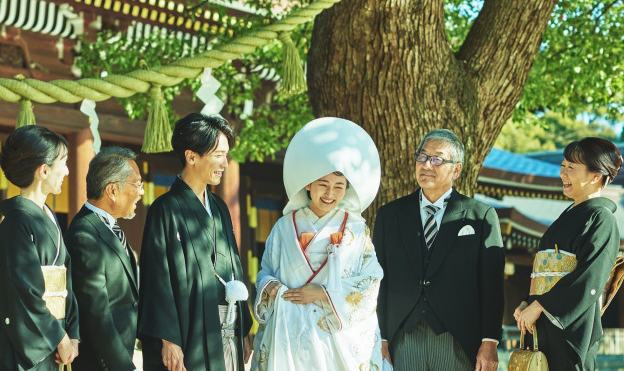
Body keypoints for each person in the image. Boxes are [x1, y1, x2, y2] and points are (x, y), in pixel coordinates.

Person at [251, 117, 385, 370]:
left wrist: (323, 294)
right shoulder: (284, 226)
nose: (330, 194)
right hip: (288, 332)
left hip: (332, 337)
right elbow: (265, 271)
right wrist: (273, 288)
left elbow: (371, 280)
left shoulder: (356, 230)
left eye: (339, 186)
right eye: (323, 184)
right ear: (309, 184)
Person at [374, 128, 505, 371]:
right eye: (422, 157)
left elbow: (492, 284)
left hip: (458, 337)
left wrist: (490, 341)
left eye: (437, 159)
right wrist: (380, 337)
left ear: (456, 170)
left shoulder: (481, 216)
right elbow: (379, 280)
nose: (426, 165)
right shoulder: (389, 215)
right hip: (402, 336)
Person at [138, 113, 252, 371]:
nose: (225, 162)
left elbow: (233, 266)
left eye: (226, 154)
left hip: (227, 325)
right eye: (218, 154)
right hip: (188, 328)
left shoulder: (220, 207)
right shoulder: (165, 209)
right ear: (191, 157)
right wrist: (168, 339)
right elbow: (157, 277)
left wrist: (243, 327)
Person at [514, 137, 622, 371]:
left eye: (571, 168)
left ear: (595, 176)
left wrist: (540, 305)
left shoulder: (602, 219)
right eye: (563, 166)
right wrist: (527, 301)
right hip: (542, 322)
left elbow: (589, 278)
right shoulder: (566, 217)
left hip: (570, 329)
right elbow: (543, 269)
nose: (563, 173)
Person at [0, 125, 79, 370]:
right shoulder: (16, 224)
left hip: (52, 339)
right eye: (64, 162)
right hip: (24, 349)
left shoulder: (48, 216)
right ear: (44, 170)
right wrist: (60, 338)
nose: (68, 171)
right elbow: (24, 294)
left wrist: (72, 333)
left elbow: (65, 283)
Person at [64, 147, 143, 371]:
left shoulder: (108, 227)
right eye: (136, 184)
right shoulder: (85, 234)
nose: (141, 192)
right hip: (102, 364)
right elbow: (96, 314)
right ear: (112, 190)